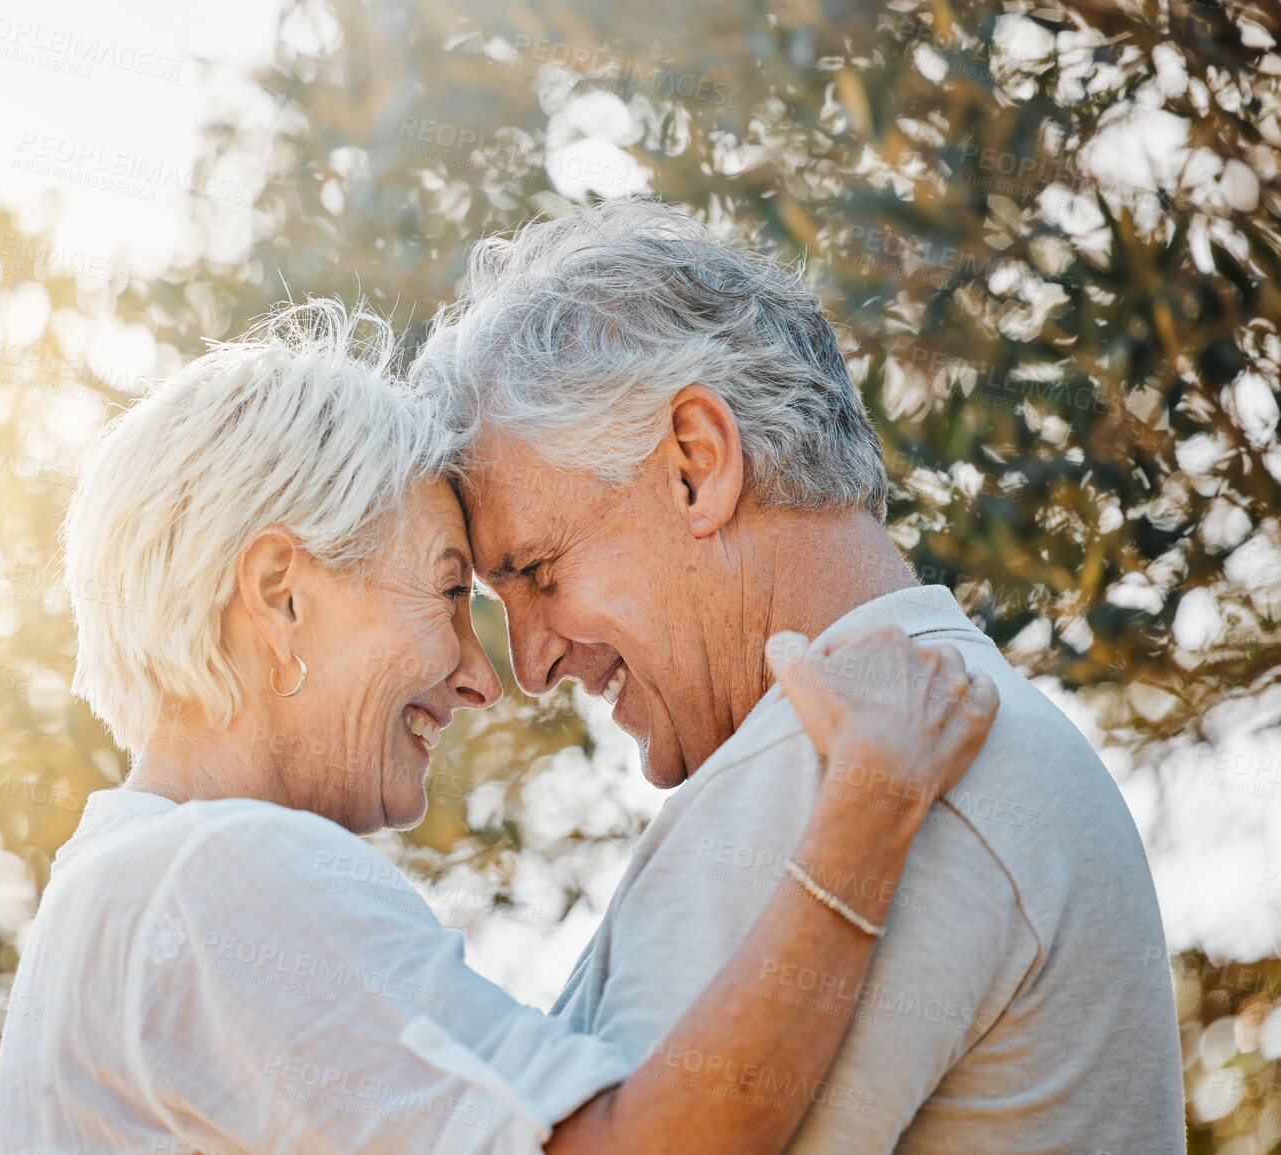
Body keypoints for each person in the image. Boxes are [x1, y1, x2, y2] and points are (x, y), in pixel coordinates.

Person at [0, 299, 999, 1154]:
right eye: (446, 591)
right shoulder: (219, 874)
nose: (486, 680)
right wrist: (870, 805)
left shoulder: (118, 887)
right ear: (280, 595)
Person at [411, 197, 1186, 1153]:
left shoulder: (830, 763)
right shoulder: (976, 728)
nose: (528, 665)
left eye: (534, 571)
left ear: (695, 465)